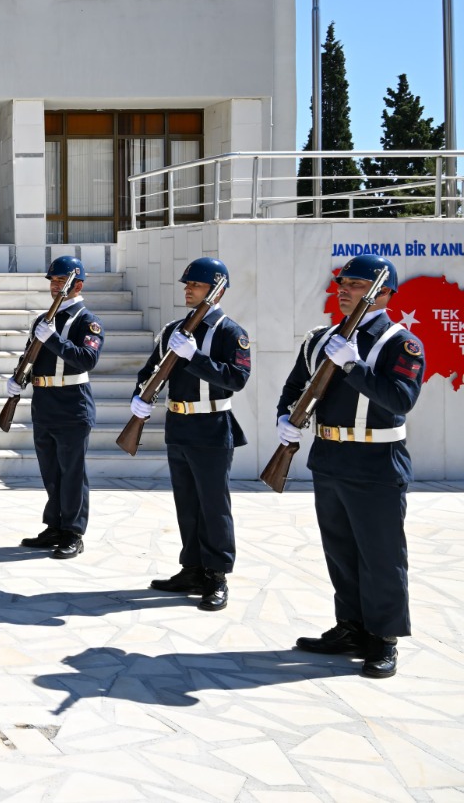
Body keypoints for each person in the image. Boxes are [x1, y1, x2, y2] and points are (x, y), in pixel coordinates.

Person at [281, 254, 424, 679]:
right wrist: (283, 418)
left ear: (383, 293)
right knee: (340, 551)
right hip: (329, 458)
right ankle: (352, 627)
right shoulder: (320, 337)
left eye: (356, 284)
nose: (344, 289)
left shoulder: (400, 343)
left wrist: (353, 365)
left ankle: (383, 638)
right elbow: (295, 386)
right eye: (343, 282)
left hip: (377, 462)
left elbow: (400, 399)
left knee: (380, 555)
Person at [134, 257, 252, 611]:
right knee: (187, 502)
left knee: (213, 505)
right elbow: (150, 370)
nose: (188, 289)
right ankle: (193, 567)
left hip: (212, 426)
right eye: (187, 284)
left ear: (216, 290)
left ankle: (216, 575)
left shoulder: (232, 333)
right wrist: (139, 397)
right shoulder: (174, 328)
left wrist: (196, 357)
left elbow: (236, 379)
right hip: (179, 423)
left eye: (195, 285)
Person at [11, 256, 103, 561]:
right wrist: (17, 379)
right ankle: (55, 524)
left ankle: (73, 531)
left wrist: (53, 340)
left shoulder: (86, 320)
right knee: (50, 469)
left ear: (77, 285)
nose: (54, 285)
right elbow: (30, 354)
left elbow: (86, 359)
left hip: (72, 400)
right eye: (52, 280)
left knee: (72, 470)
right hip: (44, 399)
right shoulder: (43, 320)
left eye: (60, 281)